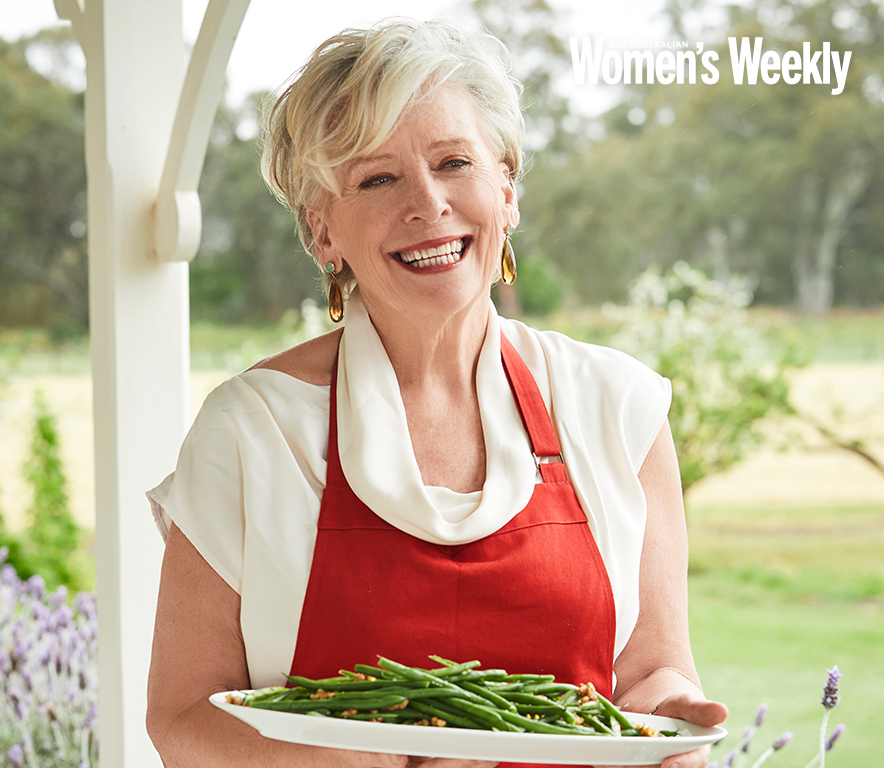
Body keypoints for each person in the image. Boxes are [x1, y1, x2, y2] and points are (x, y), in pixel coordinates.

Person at [145, 18, 727, 768]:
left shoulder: (618, 409)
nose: (427, 204)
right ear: (323, 233)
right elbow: (183, 718)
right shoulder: (253, 433)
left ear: (507, 191)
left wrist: (673, 718)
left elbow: (650, 674)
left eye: (454, 162)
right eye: (377, 178)